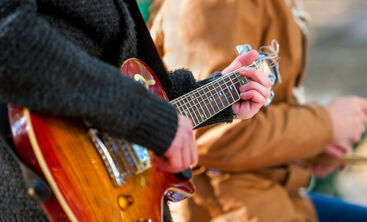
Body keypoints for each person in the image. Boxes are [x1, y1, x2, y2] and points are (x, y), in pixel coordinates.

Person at [0, 0, 271, 220]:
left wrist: (216, 96)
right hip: (44, 186)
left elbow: (122, 82)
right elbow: (8, 37)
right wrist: (146, 115)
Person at [149, 0, 367, 221]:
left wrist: (309, 146)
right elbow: (208, 135)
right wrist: (326, 124)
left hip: (278, 195)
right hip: (233, 208)